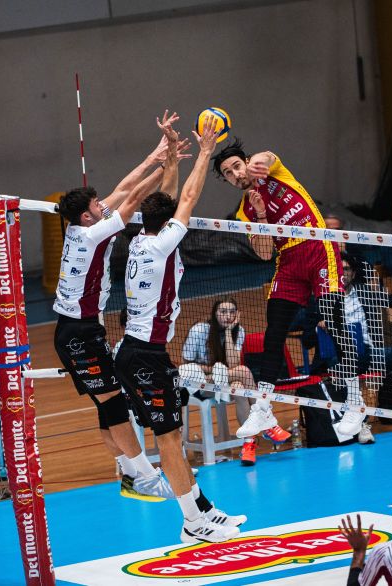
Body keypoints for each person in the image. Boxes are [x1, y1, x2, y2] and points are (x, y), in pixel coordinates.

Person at [117, 121, 245, 543]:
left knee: (171, 436)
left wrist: (172, 155)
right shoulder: (160, 243)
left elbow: (171, 196)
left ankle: (203, 509)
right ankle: (192, 523)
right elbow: (186, 197)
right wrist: (205, 151)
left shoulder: (140, 238)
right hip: (144, 354)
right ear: (168, 222)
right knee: (169, 439)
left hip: (144, 352)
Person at [53, 111, 187, 502]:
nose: (103, 205)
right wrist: (165, 166)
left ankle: (130, 475)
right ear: (87, 215)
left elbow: (123, 189)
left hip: (77, 329)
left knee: (106, 404)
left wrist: (155, 156)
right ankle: (143, 475)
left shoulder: (80, 227)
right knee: (113, 404)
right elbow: (131, 200)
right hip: (79, 333)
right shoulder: (91, 235)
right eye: (97, 204)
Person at [213, 138, 344, 442]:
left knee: (334, 321)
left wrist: (260, 162)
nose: (236, 174)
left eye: (237, 166)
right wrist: (261, 216)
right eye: (228, 173)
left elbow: (268, 156)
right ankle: (263, 406)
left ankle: (354, 400)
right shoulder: (245, 211)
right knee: (274, 332)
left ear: (246, 161)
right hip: (288, 260)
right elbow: (263, 253)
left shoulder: (273, 172)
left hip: (316, 246)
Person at [321, 252, 392, 437]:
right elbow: (305, 332)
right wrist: (319, 323)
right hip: (338, 357)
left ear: (353, 273)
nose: (342, 273)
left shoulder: (363, 292)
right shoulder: (323, 297)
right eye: (338, 269)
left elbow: (389, 299)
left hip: (368, 354)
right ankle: (359, 426)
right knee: (345, 363)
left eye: (346, 269)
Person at [179, 297, 261, 464]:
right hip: (199, 383)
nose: (228, 316)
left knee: (239, 387)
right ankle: (264, 415)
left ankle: (248, 444)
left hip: (226, 380)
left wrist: (229, 332)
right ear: (214, 314)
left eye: (232, 312)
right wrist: (216, 370)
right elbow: (186, 363)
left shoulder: (239, 331)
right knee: (244, 372)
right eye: (223, 312)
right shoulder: (199, 330)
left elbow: (233, 364)